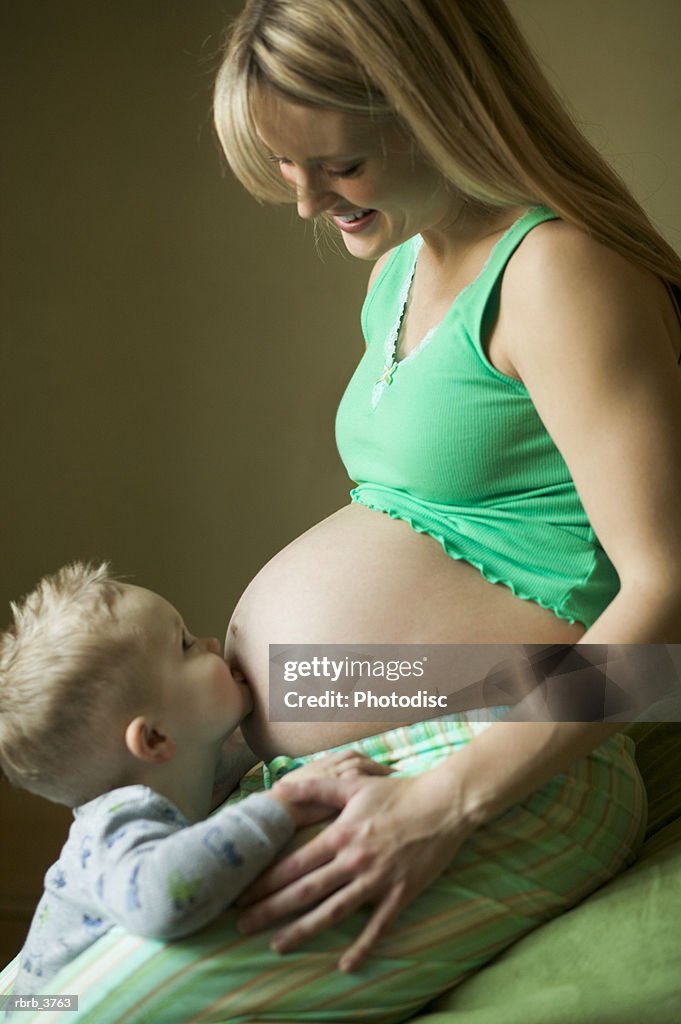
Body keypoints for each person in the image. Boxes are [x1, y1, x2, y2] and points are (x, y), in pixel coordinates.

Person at [0, 562, 387, 1001]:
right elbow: (161, 899)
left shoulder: (185, 780)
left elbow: (238, 756)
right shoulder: (116, 828)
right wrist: (285, 804)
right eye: (185, 645)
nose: (211, 643)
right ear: (154, 737)